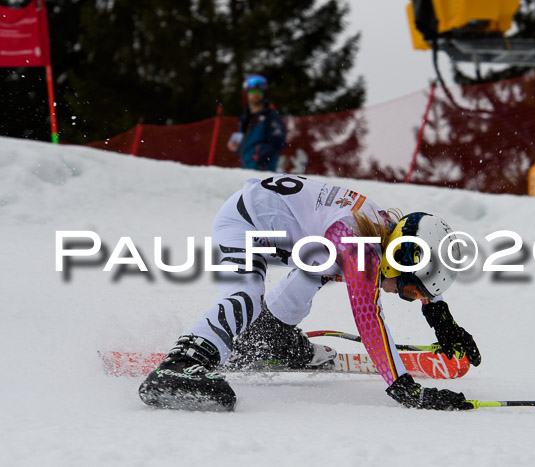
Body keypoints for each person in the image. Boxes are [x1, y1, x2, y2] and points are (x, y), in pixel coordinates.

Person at [138, 174, 482, 412]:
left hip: (279, 231)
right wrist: (404, 387)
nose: (404, 296)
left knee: (322, 268)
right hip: (243, 225)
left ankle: (269, 334)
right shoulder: (357, 245)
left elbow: (414, 269)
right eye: (409, 290)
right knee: (245, 298)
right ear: (398, 261)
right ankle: (181, 363)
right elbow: (369, 319)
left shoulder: (381, 231)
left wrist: (441, 318)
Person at [227, 75, 287, 171]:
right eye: (252, 90)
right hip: (246, 168)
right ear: (246, 93)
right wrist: (237, 149)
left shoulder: (271, 115)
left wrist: (261, 160)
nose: (256, 93)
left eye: (259, 91)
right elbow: (249, 145)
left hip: (264, 171)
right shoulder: (244, 119)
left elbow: (278, 141)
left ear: (264, 94)